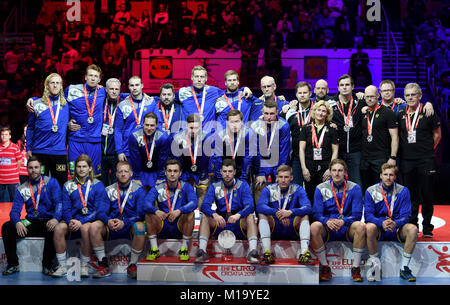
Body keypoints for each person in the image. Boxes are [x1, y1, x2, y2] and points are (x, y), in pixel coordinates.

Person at [1, 156, 61, 276]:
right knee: (7, 226)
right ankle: (13, 264)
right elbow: (14, 211)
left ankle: (47, 265)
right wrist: (17, 222)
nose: (33, 170)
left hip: (47, 221)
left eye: (36, 167)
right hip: (30, 222)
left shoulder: (51, 182)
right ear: (27, 169)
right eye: (30, 168)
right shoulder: (22, 188)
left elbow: (59, 203)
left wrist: (55, 219)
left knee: (54, 228)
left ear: (41, 168)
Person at [52, 154, 109, 278]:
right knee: (58, 228)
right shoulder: (68, 185)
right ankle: (62, 265)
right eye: (78, 166)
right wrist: (70, 220)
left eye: (84, 166)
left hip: (92, 219)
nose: (81, 169)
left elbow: (100, 210)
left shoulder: (98, 185)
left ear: (90, 168)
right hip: (73, 220)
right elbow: (66, 207)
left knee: (85, 227)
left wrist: (82, 221)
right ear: (75, 169)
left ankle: (84, 265)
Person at [397, 83, 441, 238]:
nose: (410, 98)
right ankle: (412, 225)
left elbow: (437, 134)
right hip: (407, 160)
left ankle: (428, 227)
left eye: (413, 95)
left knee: (427, 194)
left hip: (425, 160)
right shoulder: (401, 112)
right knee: (410, 195)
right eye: (407, 95)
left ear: (420, 96)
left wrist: (428, 150)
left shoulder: (427, 111)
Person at [310, 159, 365, 282]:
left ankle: (355, 268)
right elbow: (317, 214)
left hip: (347, 227)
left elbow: (357, 214)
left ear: (345, 172)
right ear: (330, 172)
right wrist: (327, 221)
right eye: (334, 170)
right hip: (328, 227)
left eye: (340, 170)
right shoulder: (320, 188)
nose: (337, 173)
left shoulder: (354, 188)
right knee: (314, 227)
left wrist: (344, 221)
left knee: (361, 226)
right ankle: (325, 267)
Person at [90, 161, 146, 279]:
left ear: (131, 173)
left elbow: (140, 214)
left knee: (140, 226)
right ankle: (103, 265)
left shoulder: (139, 190)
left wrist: (125, 222)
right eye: (120, 171)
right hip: (112, 226)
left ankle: (132, 265)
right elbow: (100, 212)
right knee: (94, 226)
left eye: (126, 171)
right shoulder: (109, 190)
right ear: (116, 174)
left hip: (130, 226)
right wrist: (108, 221)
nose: (123, 174)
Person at [195, 159, 259, 264]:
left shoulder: (242, 185)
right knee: (205, 216)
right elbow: (204, 205)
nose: (227, 174)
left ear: (234, 172)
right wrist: (214, 214)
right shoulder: (214, 186)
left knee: (250, 217)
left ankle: (252, 252)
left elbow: (250, 206)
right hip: (221, 221)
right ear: (220, 172)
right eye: (224, 171)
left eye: (230, 171)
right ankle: (202, 251)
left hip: (238, 221)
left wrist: (239, 215)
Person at [364, 163, 418, 282]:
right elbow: (368, 215)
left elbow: (406, 215)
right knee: (369, 227)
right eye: (385, 174)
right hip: (379, 228)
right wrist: (381, 222)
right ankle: (375, 266)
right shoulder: (371, 190)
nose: (388, 177)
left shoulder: (403, 191)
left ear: (395, 177)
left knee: (413, 229)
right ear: (380, 176)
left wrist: (396, 223)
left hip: (397, 229)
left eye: (391, 175)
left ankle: (404, 268)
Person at [256, 165, 312, 265]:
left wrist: (290, 212)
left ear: (291, 178)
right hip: (275, 225)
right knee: (262, 214)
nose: (283, 180)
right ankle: (267, 253)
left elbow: (308, 207)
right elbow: (260, 206)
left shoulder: (298, 189)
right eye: (281, 177)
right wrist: (278, 213)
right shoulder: (269, 189)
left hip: (291, 225)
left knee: (305, 216)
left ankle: (304, 253)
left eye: (286, 177)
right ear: (276, 177)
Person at [143, 159, 197, 261]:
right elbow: (145, 204)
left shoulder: (186, 186)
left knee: (190, 214)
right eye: (169, 171)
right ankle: (154, 249)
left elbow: (194, 203)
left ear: (180, 173)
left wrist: (179, 211)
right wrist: (156, 211)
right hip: (163, 224)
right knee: (149, 214)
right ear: (165, 172)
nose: (172, 174)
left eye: (175, 171)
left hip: (180, 225)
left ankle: (184, 249)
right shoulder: (158, 187)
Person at [26, 73, 70, 188]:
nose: (55, 85)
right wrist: (28, 148)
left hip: (59, 152)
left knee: (61, 186)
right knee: (38, 187)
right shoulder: (35, 104)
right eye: (52, 83)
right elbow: (30, 128)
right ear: (47, 86)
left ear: (61, 86)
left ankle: (60, 207)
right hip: (40, 151)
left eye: (58, 83)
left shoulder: (67, 105)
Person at [65, 64, 106, 178]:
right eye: (90, 75)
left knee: (94, 177)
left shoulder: (103, 92)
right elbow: (56, 103)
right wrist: (67, 123)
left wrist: (149, 96)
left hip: (95, 141)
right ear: (85, 77)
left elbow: (121, 95)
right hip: (75, 140)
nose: (93, 78)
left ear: (99, 79)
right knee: (75, 176)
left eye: (96, 76)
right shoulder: (71, 90)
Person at [328, 74, 365, 187]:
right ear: (338, 87)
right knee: (335, 181)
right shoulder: (330, 103)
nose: (344, 87)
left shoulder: (360, 102)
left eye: (347, 85)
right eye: (341, 85)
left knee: (356, 182)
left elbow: (377, 101)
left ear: (352, 86)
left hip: (355, 150)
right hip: (338, 150)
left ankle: (357, 204)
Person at [251, 99, 290, 203]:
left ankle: (276, 217)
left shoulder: (283, 125)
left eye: (272, 114)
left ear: (277, 112)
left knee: (279, 192)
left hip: (277, 162)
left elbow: (284, 151)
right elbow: (256, 151)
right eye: (266, 113)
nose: (268, 117)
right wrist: (260, 172)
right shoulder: (256, 125)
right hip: (261, 162)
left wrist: (279, 172)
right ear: (262, 112)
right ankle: (260, 218)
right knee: (259, 186)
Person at [360, 85, 399, 192]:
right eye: (367, 97)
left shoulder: (387, 113)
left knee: (381, 190)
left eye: (372, 96)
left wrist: (393, 157)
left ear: (378, 96)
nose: (369, 99)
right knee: (367, 190)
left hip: (381, 158)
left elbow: (395, 136)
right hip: (365, 158)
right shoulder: (363, 112)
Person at [299, 101, 339, 203]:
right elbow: (301, 150)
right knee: (310, 195)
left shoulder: (331, 128)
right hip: (309, 166)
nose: (320, 113)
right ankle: (312, 218)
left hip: (325, 166)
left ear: (327, 114)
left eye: (324, 111)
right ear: (314, 111)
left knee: (325, 195)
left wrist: (330, 169)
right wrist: (303, 168)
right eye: (318, 110)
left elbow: (335, 151)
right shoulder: (306, 128)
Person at [171, 114, 212, 208]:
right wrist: (179, 175)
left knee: (202, 190)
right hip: (184, 169)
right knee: (184, 191)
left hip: (201, 169)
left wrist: (203, 176)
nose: (194, 131)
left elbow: (205, 160)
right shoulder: (177, 137)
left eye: (196, 128)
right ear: (186, 126)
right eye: (191, 128)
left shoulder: (206, 137)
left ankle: (202, 216)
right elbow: (176, 160)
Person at [115, 76, 159, 162]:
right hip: (128, 149)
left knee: (146, 175)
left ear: (142, 85)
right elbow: (118, 130)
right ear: (128, 87)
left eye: (137, 85)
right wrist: (119, 151)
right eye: (132, 85)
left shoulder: (150, 102)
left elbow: (159, 124)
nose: (134, 88)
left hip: (148, 149)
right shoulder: (123, 105)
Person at [284, 81, 315, 186]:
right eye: (300, 93)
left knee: (312, 189)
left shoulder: (317, 110)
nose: (302, 95)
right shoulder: (290, 112)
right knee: (296, 187)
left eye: (305, 92)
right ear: (296, 95)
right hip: (296, 156)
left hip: (313, 155)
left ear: (310, 94)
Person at [128, 112, 170, 188]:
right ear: (142, 124)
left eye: (152, 125)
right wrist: (136, 177)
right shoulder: (134, 135)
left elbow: (162, 159)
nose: (149, 128)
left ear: (157, 125)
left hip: (156, 170)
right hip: (140, 170)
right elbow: (135, 158)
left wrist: (160, 177)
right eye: (147, 125)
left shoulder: (163, 137)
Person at [213, 110, 253, 182]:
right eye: (232, 122)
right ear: (227, 123)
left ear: (242, 122)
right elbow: (217, 158)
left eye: (237, 121)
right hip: (226, 169)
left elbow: (248, 157)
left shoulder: (248, 134)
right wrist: (220, 177)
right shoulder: (220, 135)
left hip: (242, 167)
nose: (234, 125)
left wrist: (244, 177)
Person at [100, 78, 126, 187]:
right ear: (106, 89)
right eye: (111, 89)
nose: (114, 91)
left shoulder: (124, 103)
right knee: (102, 184)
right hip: (100, 152)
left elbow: (138, 95)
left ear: (120, 90)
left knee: (116, 184)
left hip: (116, 153)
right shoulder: (100, 102)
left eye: (116, 89)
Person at [0, 127, 22, 202]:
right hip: (1, 179)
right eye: (2, 134)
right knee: (1, 202)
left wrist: (16, 170)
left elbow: (19, 160)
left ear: (10, 136)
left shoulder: (15, 147)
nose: (4, 136)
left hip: (13, 179)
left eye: (6, 134)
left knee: (15, 201)